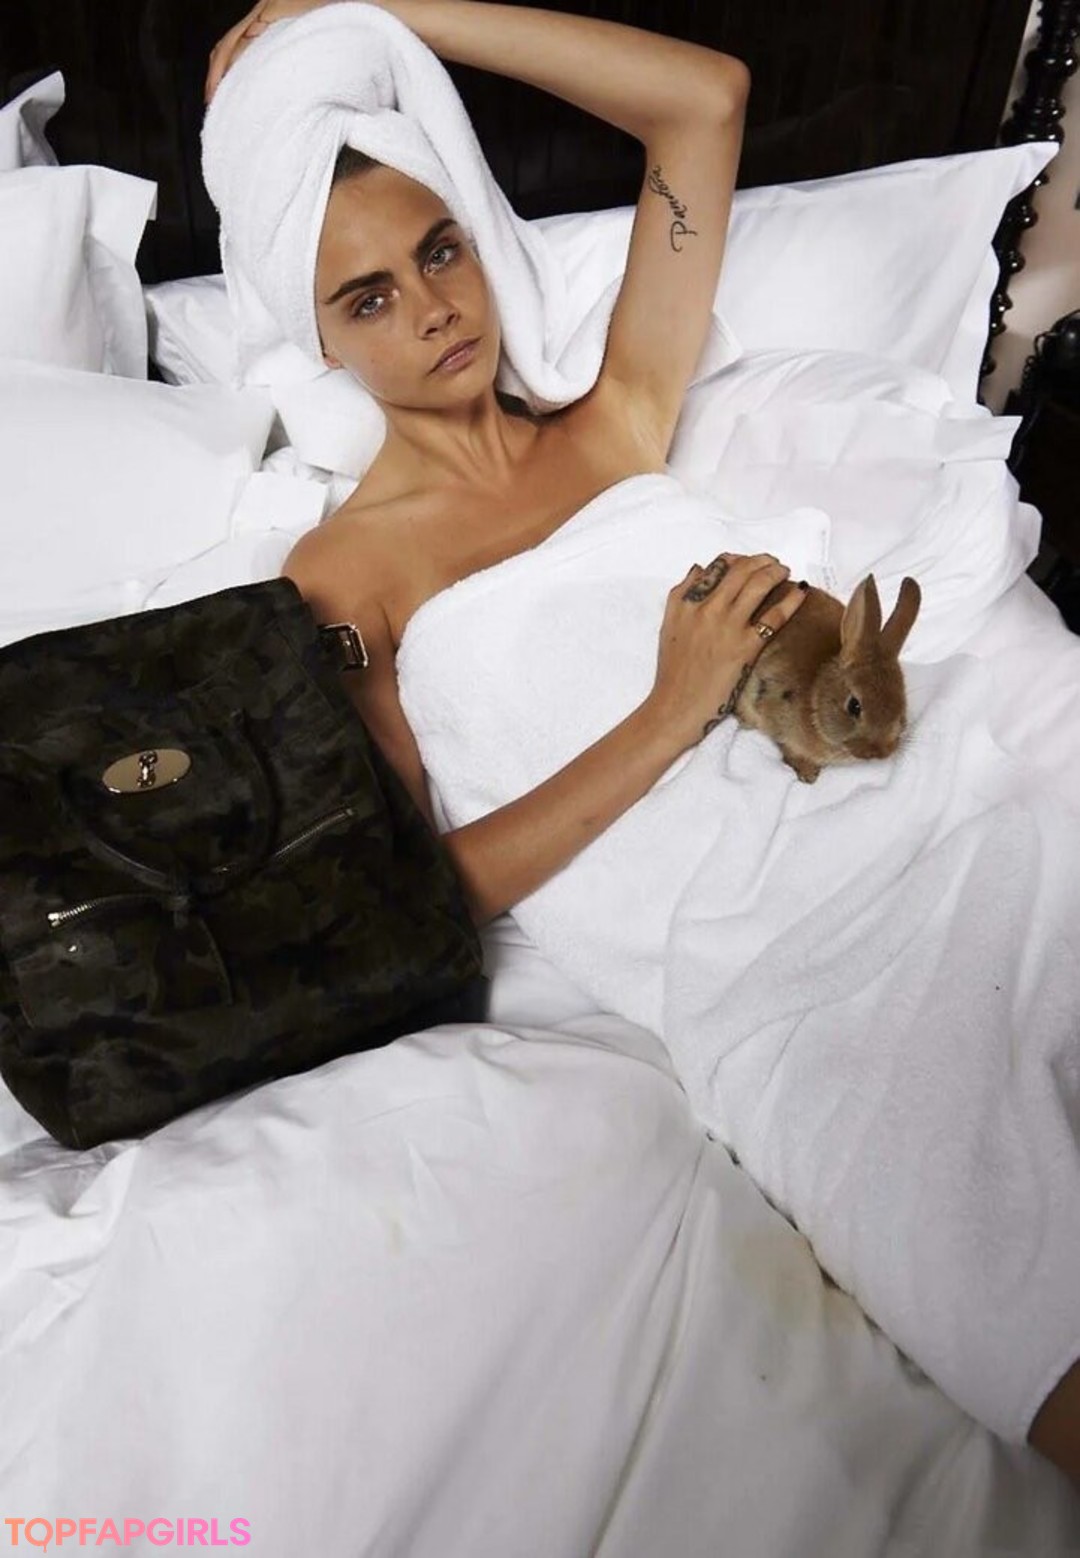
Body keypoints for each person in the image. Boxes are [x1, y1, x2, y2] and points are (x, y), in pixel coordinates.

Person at [205, 0, 1080, 1485]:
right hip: (782, 981)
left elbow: (705, 103)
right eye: (367, 298)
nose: (432, 309)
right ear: (319, 337)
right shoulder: (343, 582)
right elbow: (417, 898)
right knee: (1032, 1327)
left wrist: (380, 15)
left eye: (440, 250)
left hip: (943, 820)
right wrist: (672, 708)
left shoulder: (610, 424)